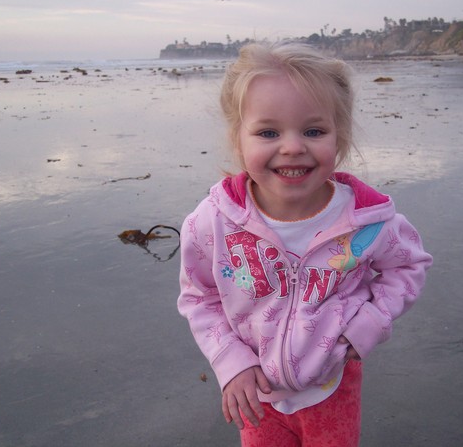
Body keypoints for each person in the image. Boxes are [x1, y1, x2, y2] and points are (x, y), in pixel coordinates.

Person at [177, 42, 432, 446]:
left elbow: (409, 265)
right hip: (255, 392)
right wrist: (230, 361)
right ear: (238, 137)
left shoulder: (366, 221)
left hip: (332, 386)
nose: (293, 146)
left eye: (313, 131)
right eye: (268, 132)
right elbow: (200, 297)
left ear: (340, 136)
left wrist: (369, 323)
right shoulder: (213, 222)